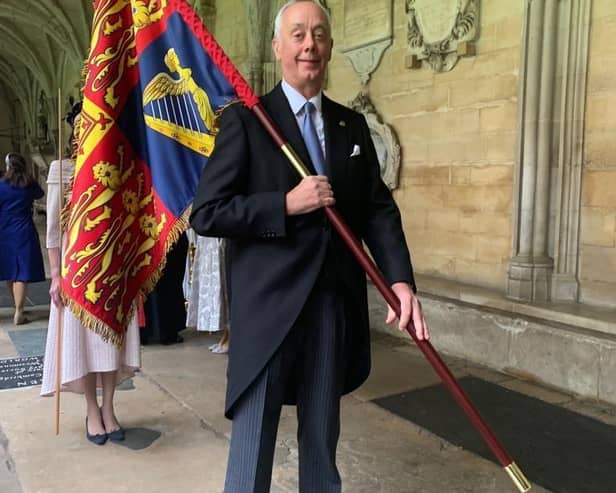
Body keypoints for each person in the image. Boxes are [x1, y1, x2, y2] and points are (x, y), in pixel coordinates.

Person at [190, 1, 429, 491]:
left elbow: (377, 209)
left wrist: (399, 280)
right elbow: (208, 212)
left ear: (331, 48)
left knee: (321, 444)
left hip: (330, 307)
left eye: (319, 35)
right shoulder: (248, 122)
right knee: (253, 448)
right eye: (297, 35)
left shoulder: (351, 126)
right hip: (268, 311)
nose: (309, 45)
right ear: (278, 47)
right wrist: (284, 204)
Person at [41, 104, 141, 446]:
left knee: (109, 346)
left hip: (114, 269)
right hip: (77, 270)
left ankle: (110, 407)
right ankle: (91, 409)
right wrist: (56, 274)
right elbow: (54, 229)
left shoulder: (119, 161)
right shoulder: (62, 168)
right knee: (80, 345)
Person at [0, 152, 46, 325]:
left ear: (8, 167)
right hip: (24, 229)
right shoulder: (28, 184)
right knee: (22, 271)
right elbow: (40, 194)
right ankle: (19, 311)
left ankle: (16, 306)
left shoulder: (1, 185)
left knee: (10, 269)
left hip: (4, 231)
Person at [140, 231, 188, 345]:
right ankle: (168, 331)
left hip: (146, 226)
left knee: (147, 277)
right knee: (169, 278)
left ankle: (145, 331)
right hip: (168, 225)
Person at [185, 231, 230, 353]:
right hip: (210, 235)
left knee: (224, 282)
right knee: (217, 281)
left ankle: (230, 337)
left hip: (223, 234)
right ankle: (226, 335)